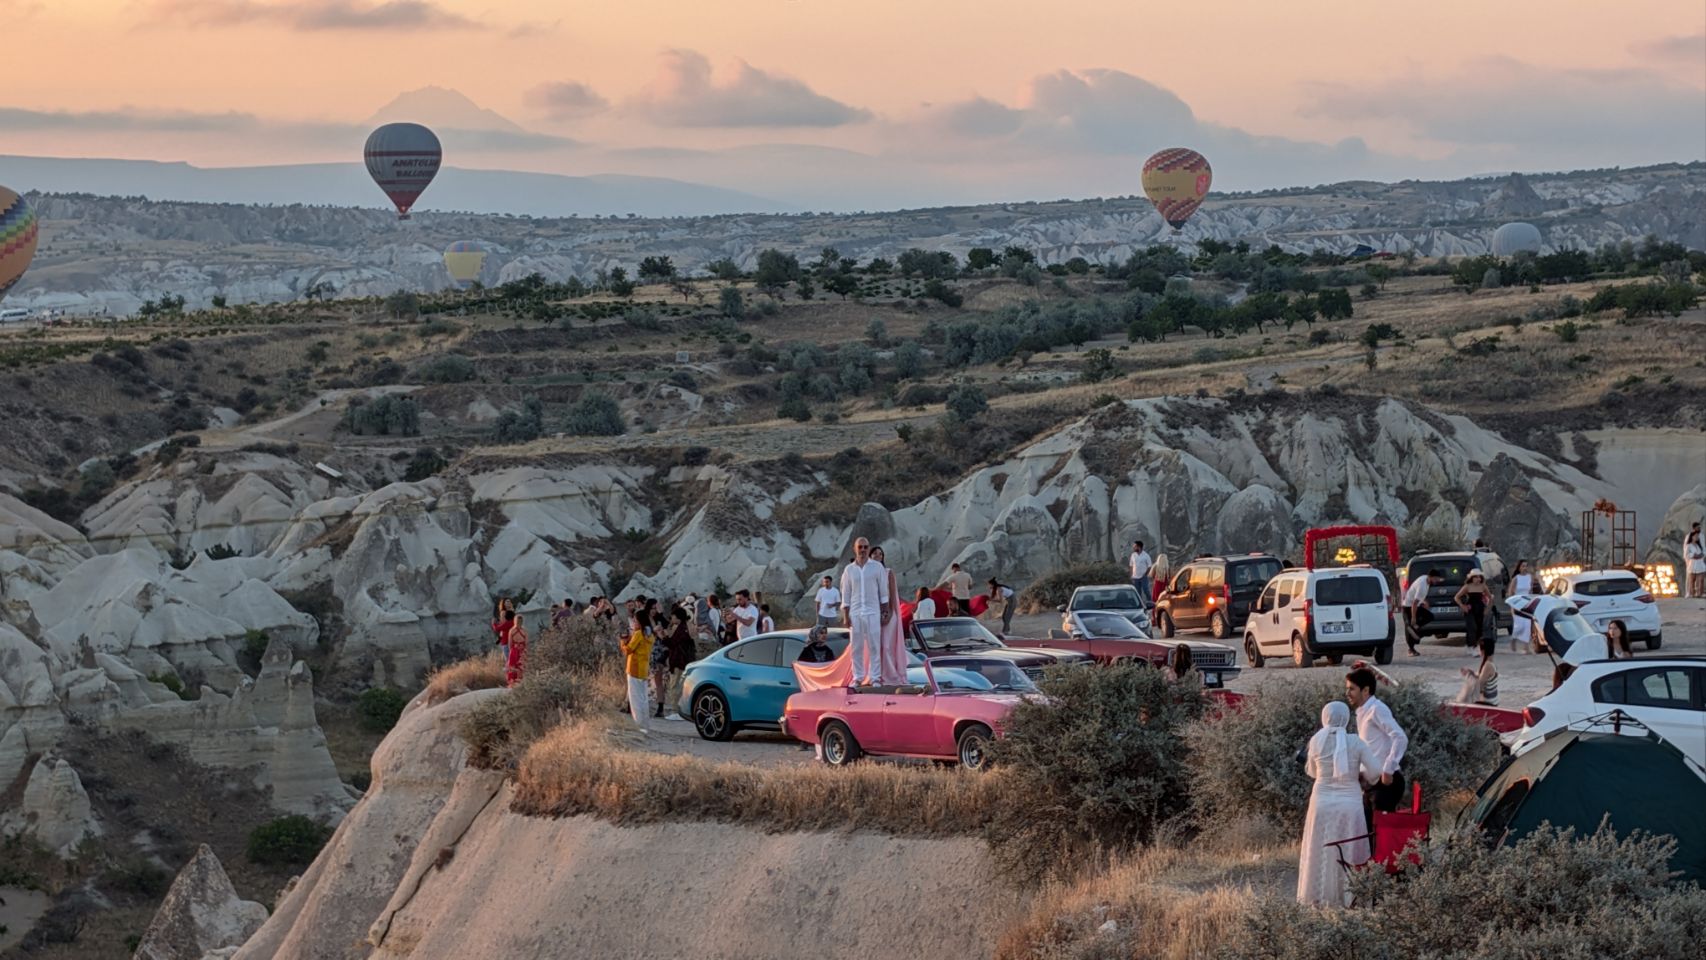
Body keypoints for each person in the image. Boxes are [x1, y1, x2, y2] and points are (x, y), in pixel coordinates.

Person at [1297, 701, 1378, 907]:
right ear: (1346, 718)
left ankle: (1317, 897)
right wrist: (1361, 775)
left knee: (1320, 848)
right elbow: (1375, 772)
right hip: (1350, 804)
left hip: (1321, 801)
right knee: (1349, 848)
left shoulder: (1316, 741)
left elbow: (1312, 772)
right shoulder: (1356, 742)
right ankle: (1350, 897)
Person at [1345, 667, 1407, 827]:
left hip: (1385, 784)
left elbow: (1400, 737)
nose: (1348, 693)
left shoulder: (1377, 709)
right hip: (1372, 784)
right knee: (1368, 833)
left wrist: (1388, 769)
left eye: (1352, 689)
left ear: (1365, 690)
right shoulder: (1362, 712)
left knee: (1379, 834)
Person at [840, 537, 891, 687]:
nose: (863, 550)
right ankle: (858, 677)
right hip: (855, 612)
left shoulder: (877, 567)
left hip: (873, 611)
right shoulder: (849, 570)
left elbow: (883, 591)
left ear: (869, 548)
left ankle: (875, 677)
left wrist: (885, 611)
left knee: (874, 645)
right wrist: (845, 616)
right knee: (856, 647)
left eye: (865, 547)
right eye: (860, 547)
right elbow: (846, 593)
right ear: (854, 549)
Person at [871, 546, 908, 685]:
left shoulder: (888, 572)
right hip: (873, 613)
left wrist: (890, 613)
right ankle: (877, 676)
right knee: (876, 646)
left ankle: (891, 676)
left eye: (880, 554)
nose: (878, 556)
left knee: (887, 645)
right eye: (875, 554)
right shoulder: (867, 574)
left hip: (889, 613)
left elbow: (892, 594)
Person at [653, 608, 694, 720]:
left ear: (678, 617)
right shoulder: (682, 628)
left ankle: (677, 712)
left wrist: (662, 636)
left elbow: (672, 644)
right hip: (679, 661)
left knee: (675, 687)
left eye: (673, 616)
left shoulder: (681, 629)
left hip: (678, 661)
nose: (672, 618)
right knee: (677, 686)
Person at [620, 609, 654, 733]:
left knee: (635, 699)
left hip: (634, 668)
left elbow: (628, 650)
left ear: (639, 621)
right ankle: (645, 724)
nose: (634, 622)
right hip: (644, 669)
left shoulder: (639, 634)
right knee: (643, 698)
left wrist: (623, 642)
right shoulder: (650, 634)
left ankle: (639, 725)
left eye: (635, 620)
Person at [1401, 568, 1442, 656]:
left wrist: (1424, 601)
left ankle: (1415, 629)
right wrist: (1413, 618)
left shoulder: (1425, 578)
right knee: (1410, 628)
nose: (1436, 581)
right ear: (1430, 577)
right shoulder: (1422, 586)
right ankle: (1411, 649)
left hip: (1416, 605)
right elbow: (1414, 603)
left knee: (1429, 616)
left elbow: (1417, 596)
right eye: (1435, 579)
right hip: (1408, 607)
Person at [1454, 570, 1494, 651]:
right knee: (1472, 627)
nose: (1478, 579)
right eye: (1476, 577)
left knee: (1479, 628)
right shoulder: (1467, 586)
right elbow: (1456, 597)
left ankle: (1475, 645)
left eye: (1479, 577)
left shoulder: (1483, 586)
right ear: (1472, 578)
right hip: (1470, 609)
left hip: (1480, 608)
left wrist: (1487, 609)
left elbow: (1490, 597)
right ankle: (1472, 646)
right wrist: (1462, 606)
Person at [1455, 639, 1500, 705]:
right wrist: (1470, 672)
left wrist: (1470, 677)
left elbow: (1479, 686)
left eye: (1479, 649)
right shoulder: (1489, 663)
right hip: (1493, 700)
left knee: (1469, 687)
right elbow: (1480, 677)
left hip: (1489, 702)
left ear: (1483, 651)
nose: (1479, 652)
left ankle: (1459, 704)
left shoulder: (1488, 665)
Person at [505, 614, 530, 687]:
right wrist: (526, 652)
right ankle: (520, 682)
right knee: (521, 666)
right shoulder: (525, 631)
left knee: (512, 665)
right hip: (522, 650)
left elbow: (510, 643)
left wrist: (511, 651)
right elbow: (526, 643)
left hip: (514, 650)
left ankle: (512, 682)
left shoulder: (511, 630)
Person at [1129, 540, 1153, 609]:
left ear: (1139, 547)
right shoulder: (1133, 555)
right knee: (1137, 592)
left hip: (1143, 577)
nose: (1133, 548)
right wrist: (1131, 575)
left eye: (1135, 546)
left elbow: (1149, 566)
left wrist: (1145, 574)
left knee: (1146, 590)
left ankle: (1150, 603)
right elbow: (1131, 565)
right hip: (1135, 577)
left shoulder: (1146, 555)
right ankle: (1139, 606)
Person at [1686, 530, 1705, 600]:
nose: (1697, 537)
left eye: (1698, 536)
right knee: (1692, 580)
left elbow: (1703, 552)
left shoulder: (1698, 545)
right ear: (1692, 537)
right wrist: (1693, 555)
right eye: (1696, 536)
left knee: (1701, 579)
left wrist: (1701, 555)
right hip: (1693, 564)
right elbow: (1687, 554)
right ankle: (1692, 593)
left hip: (1700, 564)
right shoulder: (1689, 546)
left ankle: (1700, 593)